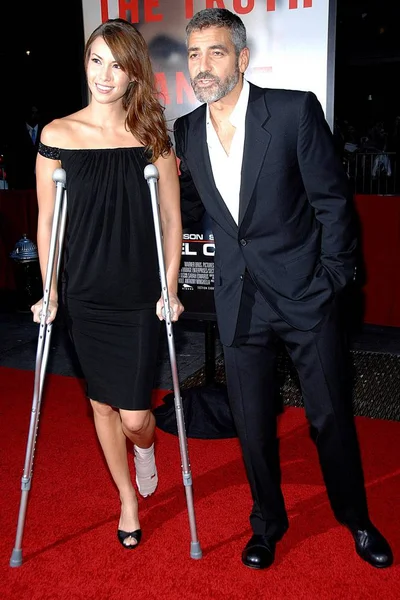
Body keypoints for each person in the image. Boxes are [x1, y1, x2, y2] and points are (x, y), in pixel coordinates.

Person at [174, 8, 393, 570]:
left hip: (304, 296)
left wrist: (334, 278)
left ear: (242, 58)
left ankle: (356, 519)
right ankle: (267, 523)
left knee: (329, 416)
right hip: (238, 302)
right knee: (252, 423)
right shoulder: (187, 131)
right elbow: (201, 209)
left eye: (215, 52)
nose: (202, 65)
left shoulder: (293, 111)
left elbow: (332, 202)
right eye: (194, 54)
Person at [31, 18, 183, 549]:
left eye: (117, 64)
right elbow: (47, 221)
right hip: (87, 294)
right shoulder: (57, 135)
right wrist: (49, 291)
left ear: (133, 74)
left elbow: (170, 219)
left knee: (137, 414)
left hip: (139, 294)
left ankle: (145, 448)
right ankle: (125, 498)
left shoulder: (152, 138)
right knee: (101, 405)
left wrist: (171, 287)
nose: (104, 74)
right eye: (97, 60)